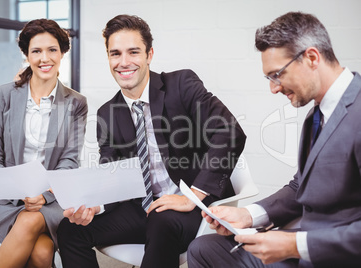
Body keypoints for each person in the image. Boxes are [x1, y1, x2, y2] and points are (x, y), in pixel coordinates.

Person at [56, 14, 246, 268]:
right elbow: (113, 175)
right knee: (70, 229)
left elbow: (230, 131)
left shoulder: (181, 84)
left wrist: (192, 196)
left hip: (193, 209)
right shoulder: (107, 113)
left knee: (161, 218)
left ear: (149, 54)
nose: (124, 62)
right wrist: (94, 206)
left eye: (133, 52)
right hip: (142, 208)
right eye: (115, 54)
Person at [187, 11, 361, 268]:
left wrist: (293, 245)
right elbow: (299, 187)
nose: (274, 88)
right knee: (204, 248)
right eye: (269, 78)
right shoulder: (316, 115)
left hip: (335, 254)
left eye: (277, 74)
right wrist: (248, 215)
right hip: (302, 244)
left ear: (312, 58)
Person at [0, 19, 87, 268]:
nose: (44, 58)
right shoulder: (4, 96)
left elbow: (69, 162)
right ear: (26, 55)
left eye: (52, 50)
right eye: (36, 51)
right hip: (7, 201)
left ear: (62, 53)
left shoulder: (76, 103)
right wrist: (22, 192)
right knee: (41, 252)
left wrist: (43, 195)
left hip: (52, 201)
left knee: (31, 225)